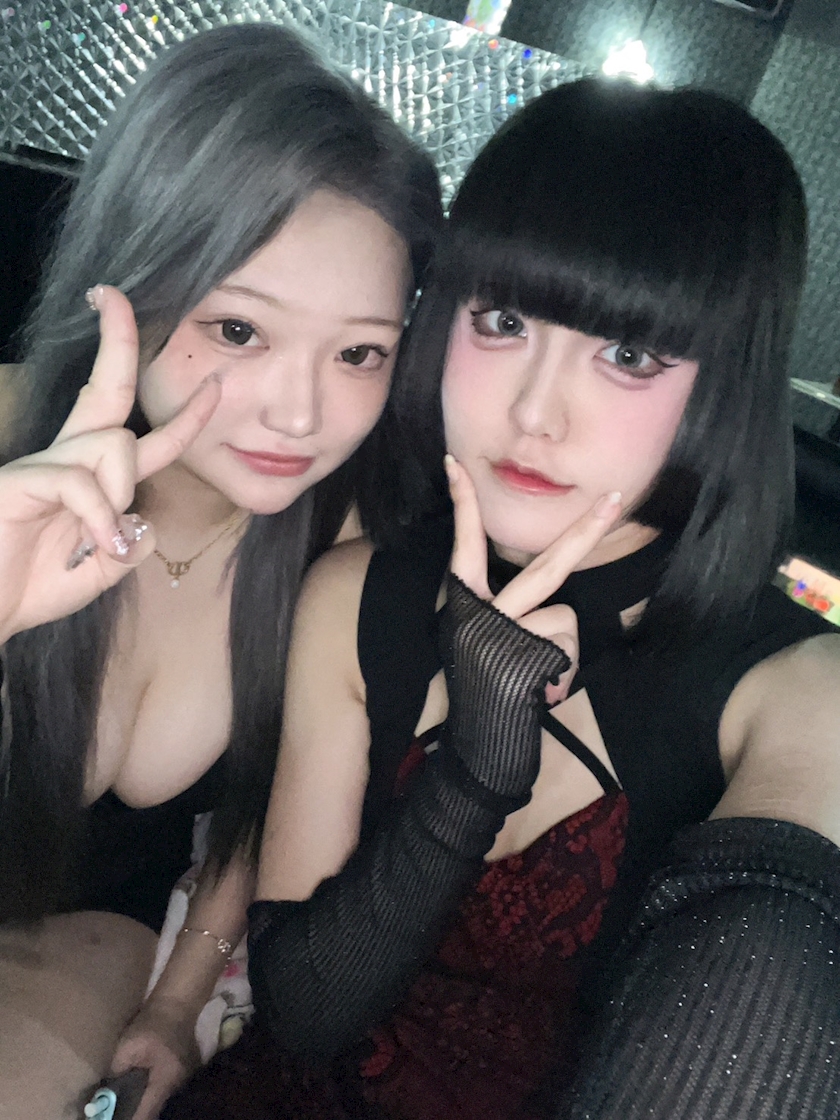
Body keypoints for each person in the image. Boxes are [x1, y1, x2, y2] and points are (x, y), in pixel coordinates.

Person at [164, 79, 840, 1119]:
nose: (535, 412)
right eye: (504, 320)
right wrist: (473, 774)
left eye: (627, 354)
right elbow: (302, 1016)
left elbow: (768, 966)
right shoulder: (356, 595)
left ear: (724, 382)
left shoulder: (794, 689)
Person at [0, 21, 441, 1120]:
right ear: (130, 278)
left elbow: (257, 819)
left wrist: (174, 1003)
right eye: (240, 329)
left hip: (83, 950)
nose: (300, 414)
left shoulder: (340, 550)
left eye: (360, 352)